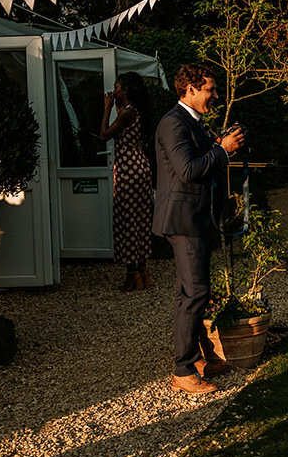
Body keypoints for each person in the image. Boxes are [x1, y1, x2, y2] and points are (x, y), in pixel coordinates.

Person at [153, 63, 244, 395]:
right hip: (184, 219)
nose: (215, 95)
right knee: (195, 293)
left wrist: (218, 146)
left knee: (188, 292)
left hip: (197, 218)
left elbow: (199, 161)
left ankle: (197, 358)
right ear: (189, 90)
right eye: (210, 89)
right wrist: (221, 151)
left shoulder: (193, 122)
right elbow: (189, 171)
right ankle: (182, 370)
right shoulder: (172, 124)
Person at [100, 72, 154, 292]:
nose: (114, 91)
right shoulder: (134, 112)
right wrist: (115, 107)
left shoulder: (126, 114)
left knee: (128, 221)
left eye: (117, 87)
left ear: (126, 91)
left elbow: (104, 135)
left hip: (128, 170)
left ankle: (133, 275)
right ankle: (142, 271)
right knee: (140, 220)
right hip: (141, 166)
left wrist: (106, 108)